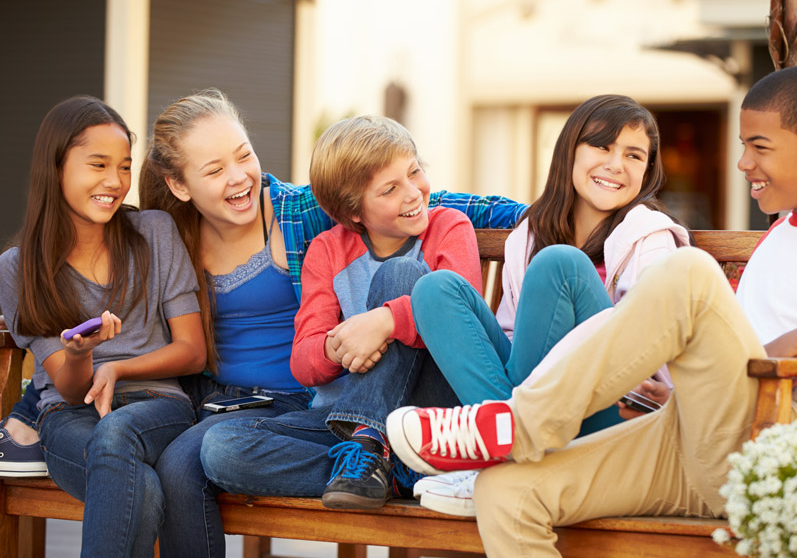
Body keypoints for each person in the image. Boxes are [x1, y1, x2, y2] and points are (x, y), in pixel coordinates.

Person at [385, 64, 797, 557]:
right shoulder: (783, 233)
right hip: (689, 437)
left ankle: (514, 427)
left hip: (766, 446)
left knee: (691, 272)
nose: (743, 162)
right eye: (744, 146)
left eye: (759, 147)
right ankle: (505, 437)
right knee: (506, 491)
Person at [0, 90, 525, 557]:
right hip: (227, 404)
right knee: (191, 462)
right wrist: (30, 402)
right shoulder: (167, 235)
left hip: (323, 399)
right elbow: (63, 315)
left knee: (400, 277)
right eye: (213, 170)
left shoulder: (303, 214)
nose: (238, 176)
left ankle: (375, 457)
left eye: (244, 155)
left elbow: (405, 195)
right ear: (180, 187)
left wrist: (548, 211)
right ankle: (388, 464)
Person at [408, 95, 690, 516]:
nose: (616, 164)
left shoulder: (650, 235)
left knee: (561, 264)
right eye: (602, 146)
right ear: (570, 150)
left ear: (647, 171)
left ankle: (496, 460)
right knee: (435, 290)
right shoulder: (529, 234)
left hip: (614, 409)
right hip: (535, 410)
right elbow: (513, 339)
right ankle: (506, 456)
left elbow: (652, 344)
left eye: (634, 155)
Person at [199, 114, 480, 511]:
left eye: (414, 171)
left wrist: (383, 322)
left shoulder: (449, 227)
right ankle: (389, 473)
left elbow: (458, 313)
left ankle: (369, 449)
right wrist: (339, 346)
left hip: (429, 419)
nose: (413, 193)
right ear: (354, 213)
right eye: (390, 189)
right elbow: (303, 362)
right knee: (221, 448)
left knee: (401, 274)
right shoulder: (328, 251)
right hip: (339, 419)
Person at [0, 96, 206, 557]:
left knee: (116, 436)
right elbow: (72, 392)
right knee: (145, 489)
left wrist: (118, 370)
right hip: (69, 418)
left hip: (159, 406)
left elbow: (193, 350)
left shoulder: (154, 232)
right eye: (98, 164)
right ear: (56, 168)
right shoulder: (17, 268)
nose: (115, 182)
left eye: (125, 167)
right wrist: (79, 354)